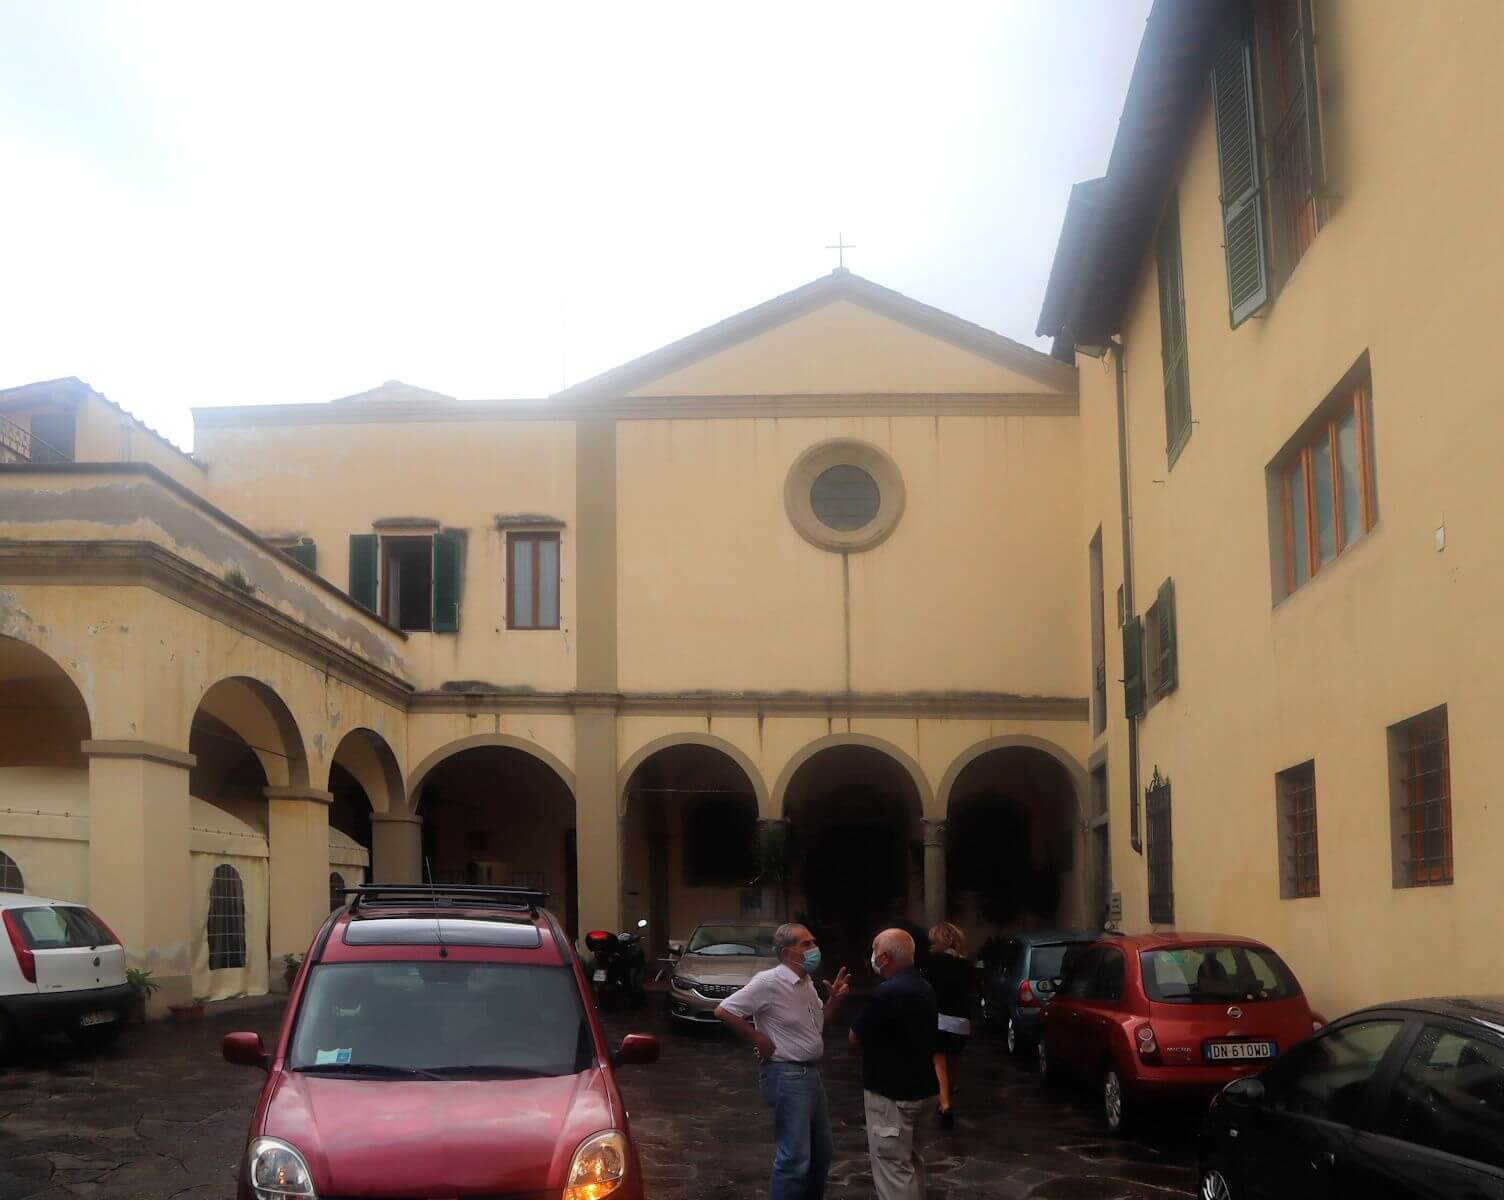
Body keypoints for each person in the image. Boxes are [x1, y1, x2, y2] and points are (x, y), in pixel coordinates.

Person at [715, 923, 851, 1200]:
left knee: (821, 1153)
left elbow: (819, 1025)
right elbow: (724, 1010)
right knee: (794, 1159)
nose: (814, 949)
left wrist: (835, 1000)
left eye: (813, 942)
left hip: (811, 1075)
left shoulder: (806, 983)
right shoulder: (769, 982)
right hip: (787, 1075)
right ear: (788, 953)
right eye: (806, 944)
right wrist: (756, 1037)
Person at [848, 928, 938, 1200]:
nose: (872, 957)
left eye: (875, 951)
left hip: (892, 1095)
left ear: (885, 958)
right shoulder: (924, 986)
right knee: (911, 1162)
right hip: (923, 1089)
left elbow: (855, 1036)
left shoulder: (888, 993)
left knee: (893, 1172)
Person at [922, 922, 974, 1129]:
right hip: (962, 1022)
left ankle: (944, 1104)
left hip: (939, 1019)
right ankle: (947, 1094)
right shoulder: (966, 965)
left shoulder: (931, 964)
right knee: (953, 1062)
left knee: (938, 1061)